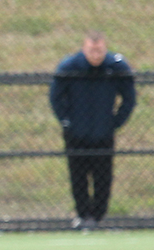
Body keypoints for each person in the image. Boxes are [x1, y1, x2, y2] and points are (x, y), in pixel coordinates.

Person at [49, 30, 135, 229]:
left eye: (99, 51)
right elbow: (55, 97)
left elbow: (129, 98)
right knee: (78, 175)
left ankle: (98, 217)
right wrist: (66, 122)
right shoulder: (69, 67)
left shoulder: (115, 66)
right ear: (84, 48)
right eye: (91, 51)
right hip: (76, 133)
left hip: (103, 133)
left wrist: (115, 122)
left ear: (105, 48)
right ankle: (82, 215)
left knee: (103, 176)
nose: (96, 55)